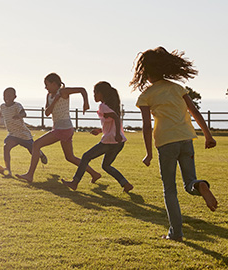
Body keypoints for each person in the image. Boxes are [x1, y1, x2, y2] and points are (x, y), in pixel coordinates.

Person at [131, 46, 218, 241]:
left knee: (170, 189)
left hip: (166, 142)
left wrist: (148, 153)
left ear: (145, 72)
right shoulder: (177, 87)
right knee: (189, 183)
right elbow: (195, 112)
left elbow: (146, 127)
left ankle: (176, 233)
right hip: (186, 139)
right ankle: (200, 184)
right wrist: (208, 135)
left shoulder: (146, 95)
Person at [16, 73, 101, 183]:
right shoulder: (49, 96)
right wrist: (55, 100)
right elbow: (47, 113)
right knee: (70, 157)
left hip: (64, 129)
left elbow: (82, 90)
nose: (45, 87)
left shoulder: (63, 92)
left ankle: (29, 175)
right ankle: (95, 174)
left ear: (54, 83)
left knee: (36, 144)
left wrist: (86, 103)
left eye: (47, 84)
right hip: (62, 129)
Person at [62, 81, 133, 192]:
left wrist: (117, 134)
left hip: (111, 140)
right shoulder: (110, 106)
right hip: (119, 142)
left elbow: (115, 118)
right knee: (106, 166)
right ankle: (125, 184)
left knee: (86, 157)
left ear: (101, 93)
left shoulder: (103, 106)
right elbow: (112, 122)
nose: (94, 95)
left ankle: (75, 182)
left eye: (95, 93)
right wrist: (100, 130)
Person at [0, 87, 48, 177]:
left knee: (33, 151)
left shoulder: (17, 105)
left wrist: (19, 115)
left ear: (14, 97)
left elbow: (24, 113)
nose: (6, 97)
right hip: (13, 134)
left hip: (23, 134)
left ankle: (41, 155)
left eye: (9, 96)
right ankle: (8, 171)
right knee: (6, 147)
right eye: (5, 96)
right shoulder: (2, 106)